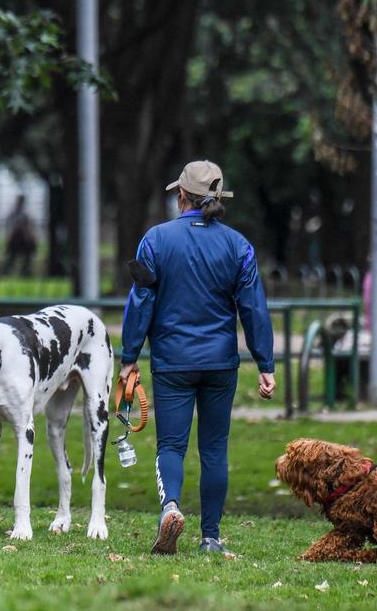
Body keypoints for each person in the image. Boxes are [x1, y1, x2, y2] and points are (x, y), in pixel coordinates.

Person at [120, 160, 275, 557]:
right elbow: (253, 308)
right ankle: (211, 537)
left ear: (181, 196)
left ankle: (170, 506)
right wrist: (265, 364)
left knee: (171, 445)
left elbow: (141, 301)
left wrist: (129, 356)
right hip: (221, 363)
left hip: (172, 361)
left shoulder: (155, 240)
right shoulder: (239, 246)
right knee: (214, 448)